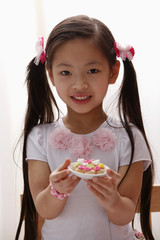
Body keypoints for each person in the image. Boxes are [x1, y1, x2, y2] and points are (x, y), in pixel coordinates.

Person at [15, 15, 154, 240]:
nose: (80, 84)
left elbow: (124, 215)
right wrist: (56, 191)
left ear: (113, 72)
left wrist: (113, 200)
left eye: (92, 71)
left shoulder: (129, 137)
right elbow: (45, 210)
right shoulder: (39, 137)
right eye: (66, 72)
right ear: (51, 75)